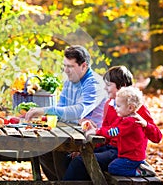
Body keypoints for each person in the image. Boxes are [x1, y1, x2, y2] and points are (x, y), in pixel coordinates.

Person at [63, 65, 162, 180]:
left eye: (109, 85)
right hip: (109, 148)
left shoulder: (137, 109)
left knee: (80, 162)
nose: (105, 88)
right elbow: (107, 134)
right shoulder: (109, 104)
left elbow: (157, 137)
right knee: (70, 157)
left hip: (123, 153)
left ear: (122, 87)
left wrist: (145, 124)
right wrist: (88, 147)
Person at [25, 45, 108, 180]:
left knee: (57, 149)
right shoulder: (70, 80)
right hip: (72, 132)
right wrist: (41, 118)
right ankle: (60, 181)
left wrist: (45, 110)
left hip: (94, 139)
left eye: (70, 66)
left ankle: (64, 180)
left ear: (84, 66)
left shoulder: (93, 84)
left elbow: (79, 111)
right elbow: (61, 107)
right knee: (41, 149)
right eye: (65, 65)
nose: (66, 70)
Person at [106, 86, 157, 176]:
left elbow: (114, 132)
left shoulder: (130, 121)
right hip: (128, 155)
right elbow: (111, 127)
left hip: (132, 157)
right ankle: (140, 166)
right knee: (112, 165)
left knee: (113, 167)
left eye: (118, 106)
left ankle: (141, 172)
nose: (115, 108)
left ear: (130, 108)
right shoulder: (124, 118)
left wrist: (100, 132)